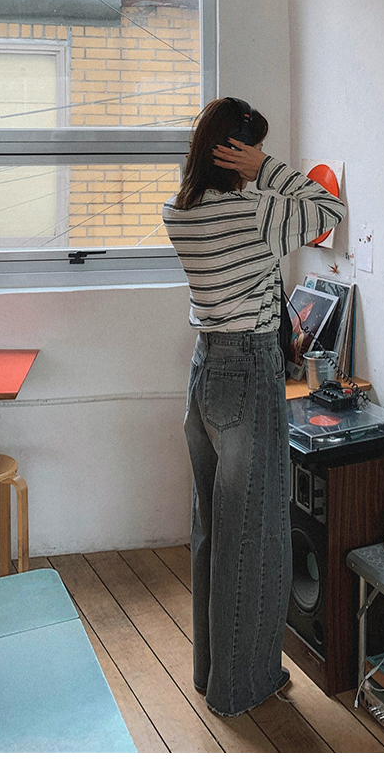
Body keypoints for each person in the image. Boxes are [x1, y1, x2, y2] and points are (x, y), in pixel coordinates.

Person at [162, 95, 345, 717]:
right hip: (248, 371)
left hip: (205, 370)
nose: (258, 155)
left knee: (213, 528)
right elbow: (329, 211)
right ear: (235, 149)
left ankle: (212, 671)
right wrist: (264, 167)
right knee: (256, 535)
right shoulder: (254, 211)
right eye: (252, 145)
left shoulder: (179, 211)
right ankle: (241, 687)